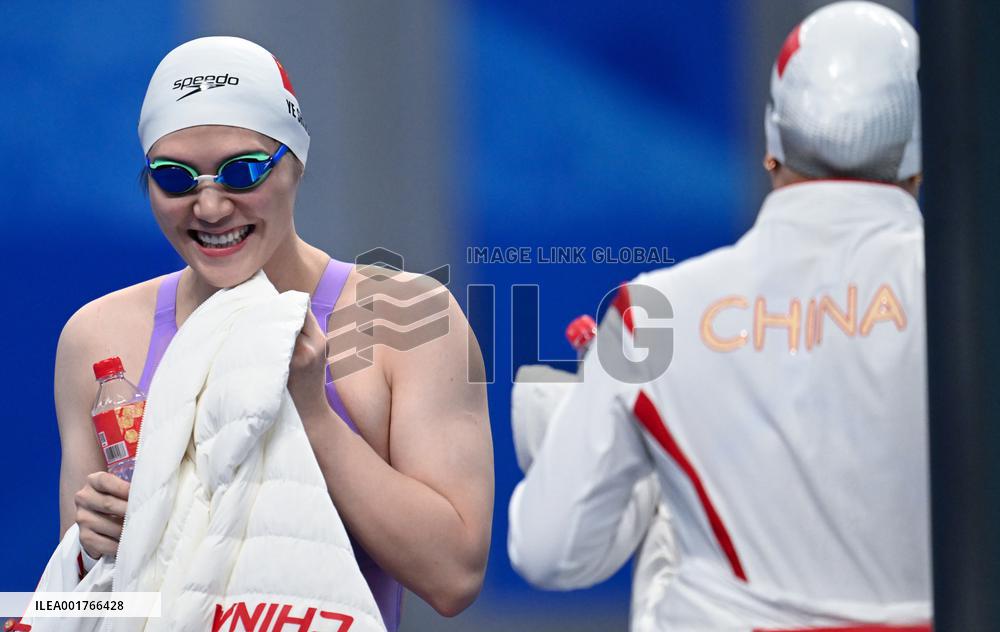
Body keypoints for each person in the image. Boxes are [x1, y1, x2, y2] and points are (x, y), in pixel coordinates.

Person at [507, 2, 931, 630]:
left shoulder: (654, 314)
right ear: (919, 148)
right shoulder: (972, 312)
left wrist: (652, 483)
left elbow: (549, 551)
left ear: (773, 142)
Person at [54, 36, 493, 631]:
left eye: (242, 172)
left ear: (296, 164)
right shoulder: (99, 338)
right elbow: (77, 612)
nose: (210, 208)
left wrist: (312, 413)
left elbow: (453, 576)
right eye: (176, 179)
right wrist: (89, 554)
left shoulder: (407, 319)